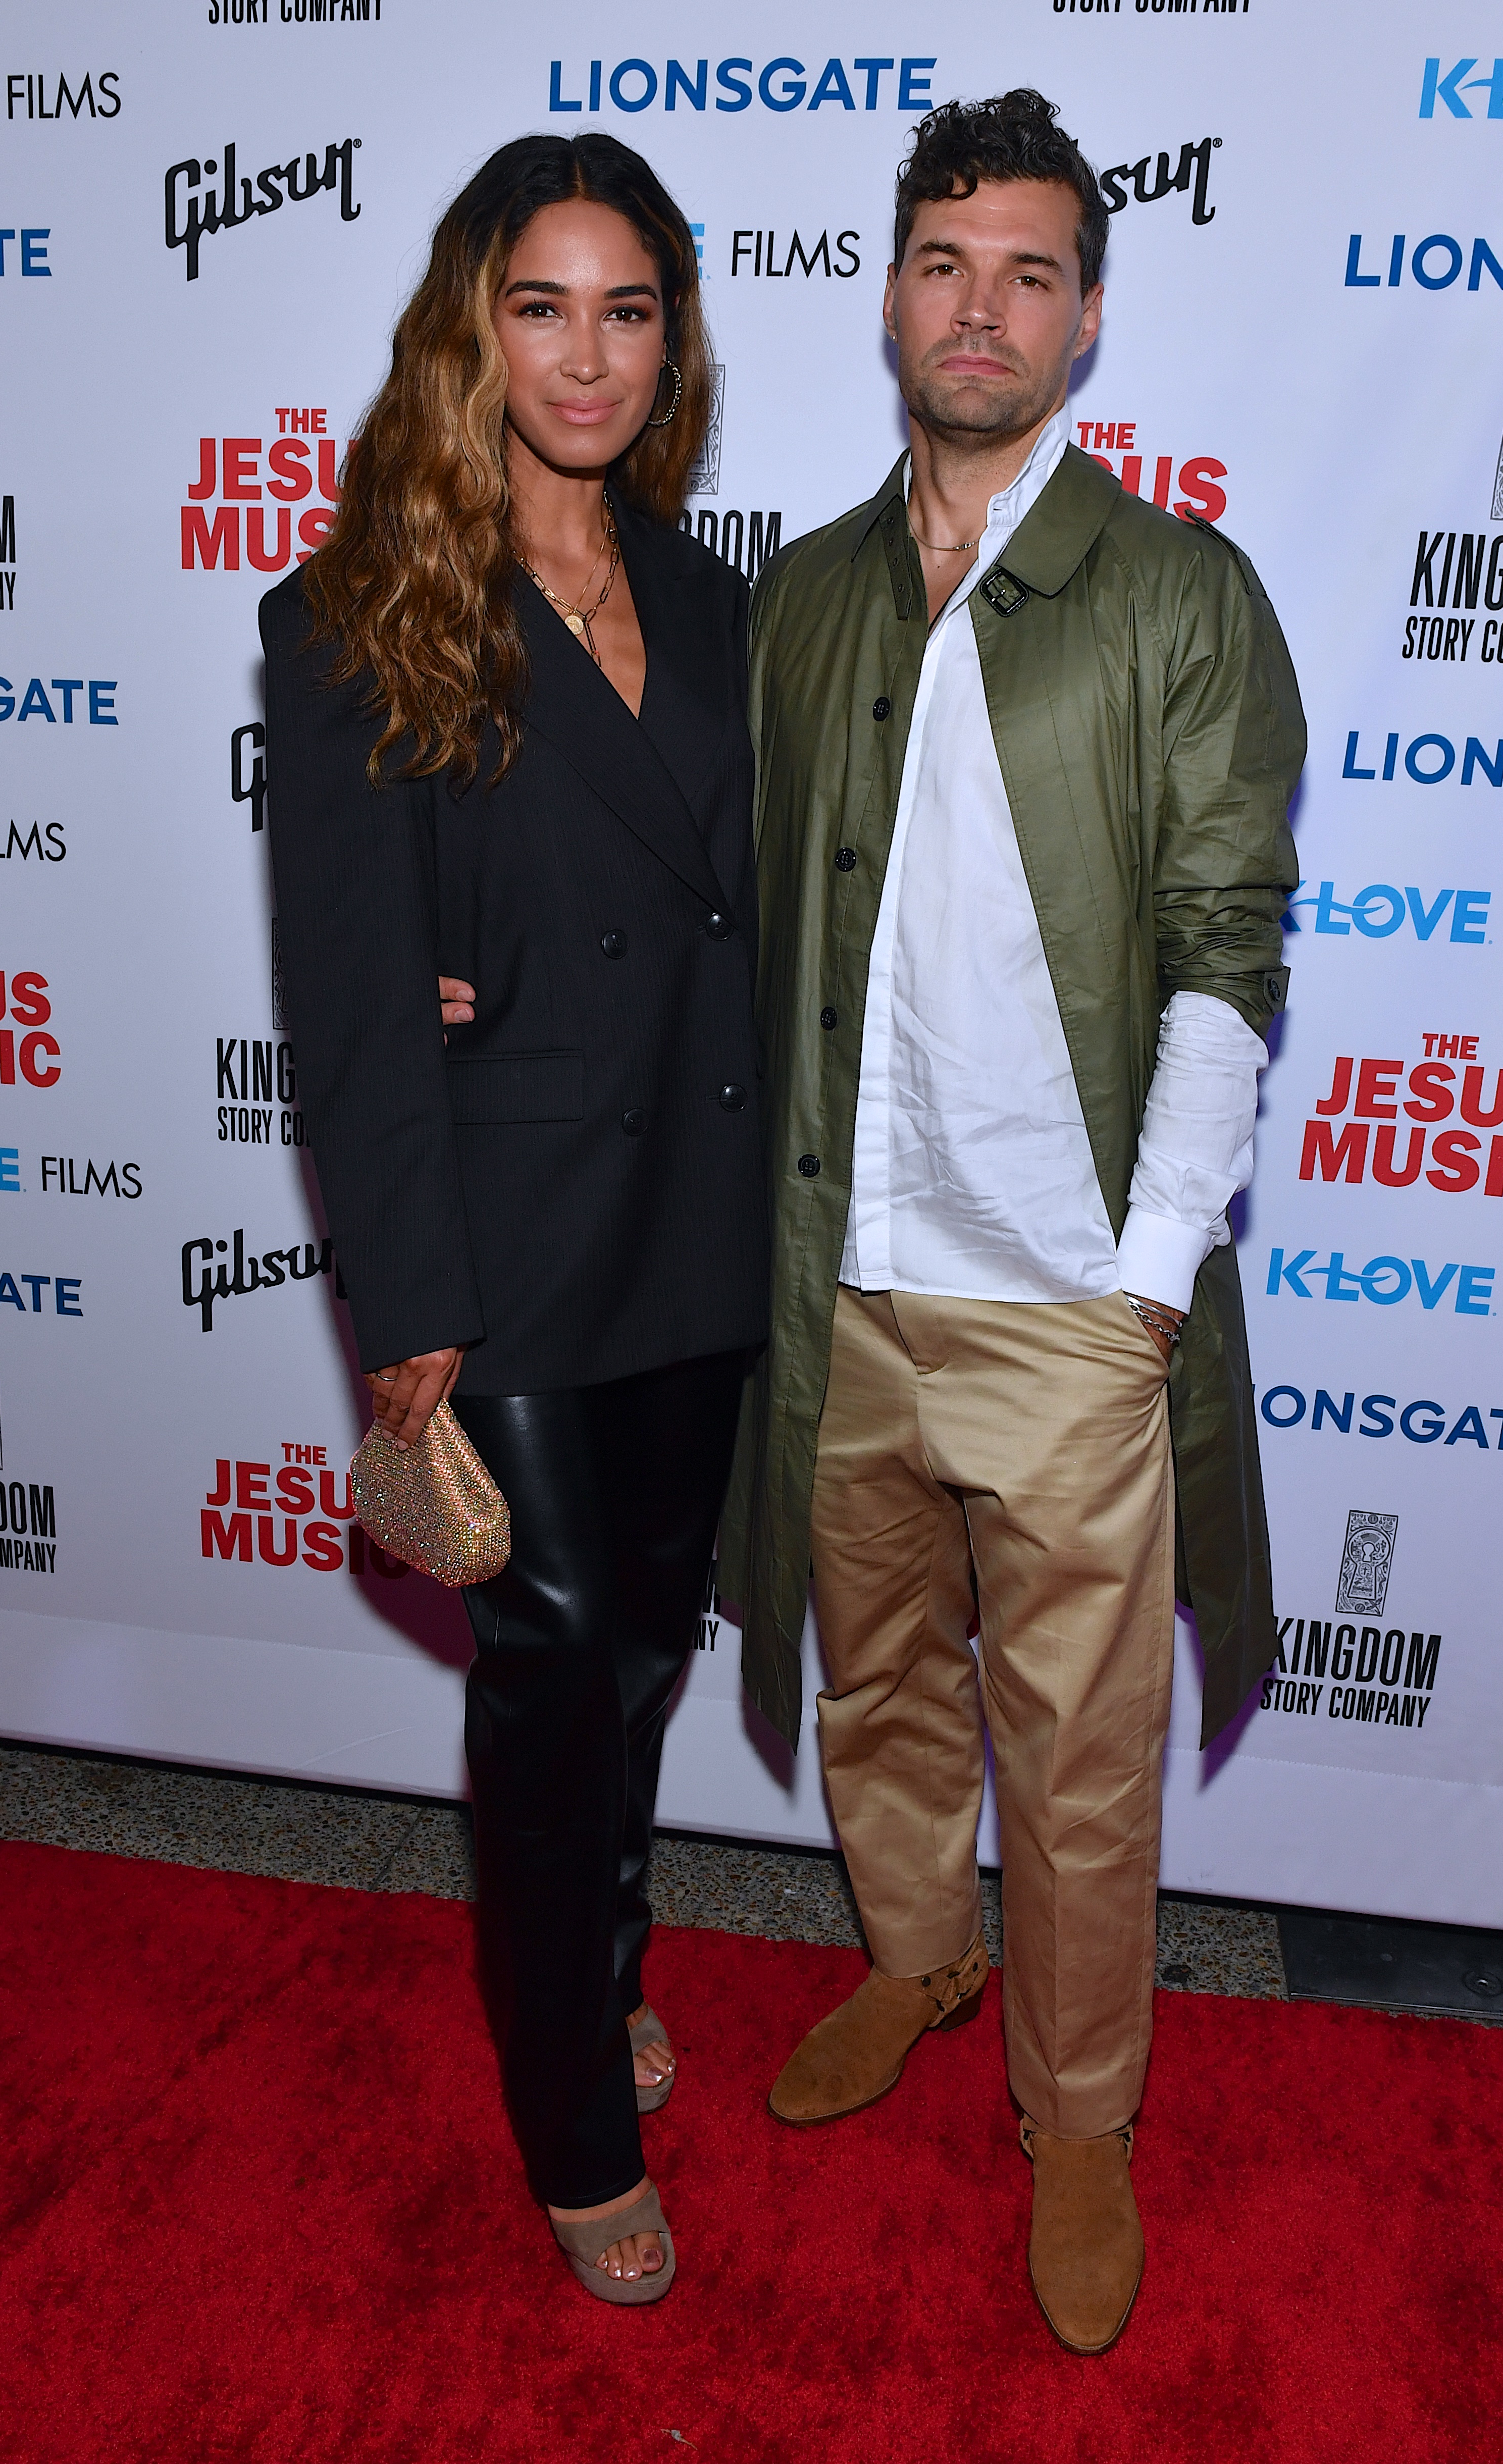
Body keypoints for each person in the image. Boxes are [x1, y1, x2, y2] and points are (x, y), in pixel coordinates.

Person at [718, 90, 1305, 2352]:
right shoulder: (803, 593)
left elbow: (1222, 946)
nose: (983, 308)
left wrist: (1150, 1276)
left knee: (1072, 1763)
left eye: (1031, 271)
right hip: (839, 1292)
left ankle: (1081, 2120)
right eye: (946, 260)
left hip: (1070, 1312)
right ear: (889, 289)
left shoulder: (1172, 592)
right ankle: (908, 1960)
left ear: (1084, 317)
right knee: (879, 1687)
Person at [260, 133, 768, 2306]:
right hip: (513, 1240)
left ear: (674, 344)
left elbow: (763, 909)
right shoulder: (356, 603)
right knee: (555, 1666)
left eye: (627, 309)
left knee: (643, 1661)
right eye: (542, 307)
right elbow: (358, 1003)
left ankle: (594, 1960)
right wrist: (413, 1307)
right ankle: (568, 2118)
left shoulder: (729, 601)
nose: (586, 354)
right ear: (476, 328)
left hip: (707, 1217)